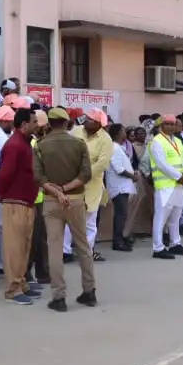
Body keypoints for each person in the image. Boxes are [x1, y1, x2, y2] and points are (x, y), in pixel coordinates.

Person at [34, 107, 96, 312]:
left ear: (50, 123)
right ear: (67, 123)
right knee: (83, 247)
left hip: (52, 202)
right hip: (76, 200)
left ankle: (58, 297)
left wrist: (57, 190)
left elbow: (39, 177)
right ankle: (89, 291)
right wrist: (67, 189)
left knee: (54, 249)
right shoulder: (78, 144)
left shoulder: (41, 145)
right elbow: (86, 174)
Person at [0, 108, 41, 305]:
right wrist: (2, 193)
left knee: (23, 247)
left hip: (25, 201)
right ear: (24, 125)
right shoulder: (14, 145)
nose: (37, 125)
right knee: (15, 247)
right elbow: (4, 174)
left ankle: (21, 283)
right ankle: (13, 290)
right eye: (34, 122)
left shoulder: (24, 143)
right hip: (15, 202)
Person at [65, 109, 112, 263]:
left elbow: (102, 164)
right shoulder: (76, 131)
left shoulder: (106, 139)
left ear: (98, 124)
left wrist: (83, 175)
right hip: (71, 181)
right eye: (86, 119)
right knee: (69, 217)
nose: (86, 122)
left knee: (90, 221)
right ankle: (65, 252)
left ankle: (87, 252)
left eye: (90, 120)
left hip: (92, 184)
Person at [148, 115, 183, 259]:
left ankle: (175, 243)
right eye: (167, 124)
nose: (171, 127)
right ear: (161, 126)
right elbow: (161, 164)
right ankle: (158, 248)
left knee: (175, 216)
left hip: (178, 184)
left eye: (173, 124)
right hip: (165, 185)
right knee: (161, 218)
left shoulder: (177, 140)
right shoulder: (156, 142)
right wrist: (179, 176)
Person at [105, 123, 136, 251]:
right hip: (118, 186)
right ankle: (117, 241)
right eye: (123, 131)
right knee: (120, 214)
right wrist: (132, 176)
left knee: (122, 214)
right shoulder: (114, 147)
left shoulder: (119, 147)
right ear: (118, 133)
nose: (125, 133)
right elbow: (119, 169)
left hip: (122, 185)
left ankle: (120, 238)